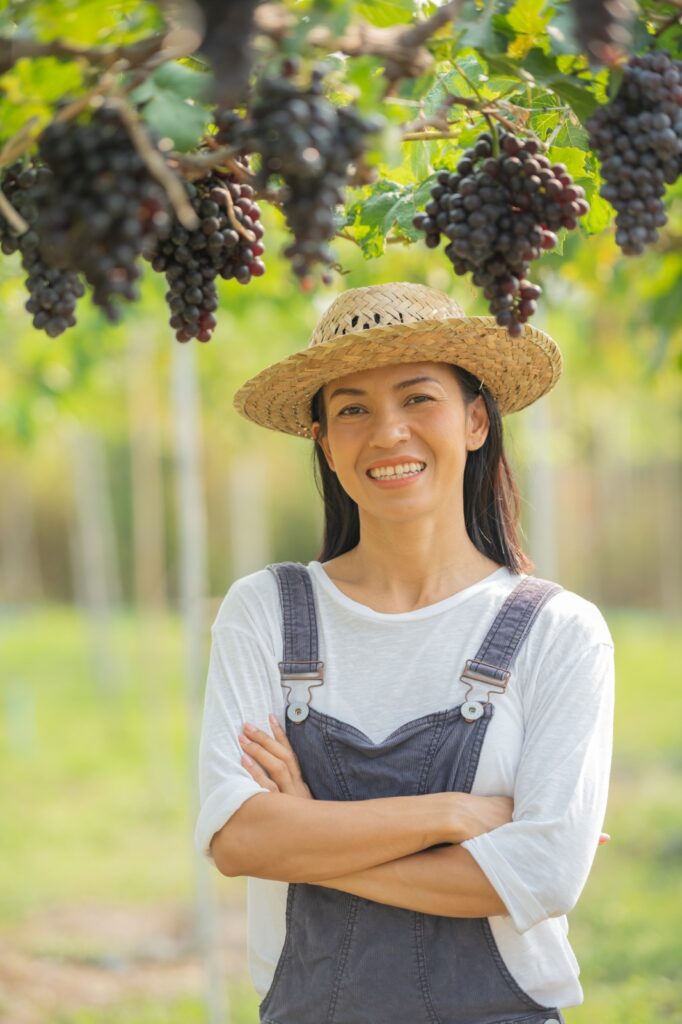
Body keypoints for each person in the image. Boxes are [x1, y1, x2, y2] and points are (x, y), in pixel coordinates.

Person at [194, 281, 615, 1024]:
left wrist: (309, 833)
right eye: (352, 408)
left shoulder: (560, 632)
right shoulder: (264, 610)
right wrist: (455, 814)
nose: (388, 433)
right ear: (324, 440)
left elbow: (542, 877)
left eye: (418, 398)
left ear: (476, 420)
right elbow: (238, 838)